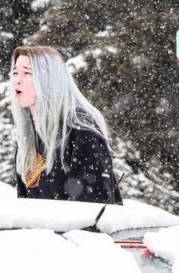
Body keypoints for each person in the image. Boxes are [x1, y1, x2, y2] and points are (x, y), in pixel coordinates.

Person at [10, 45, 122, 205]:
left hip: (78, 230)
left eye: (27, 73)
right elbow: (26, 207)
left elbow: (94, 209)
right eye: (15, 72)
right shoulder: (28, 136)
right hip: (41, 230)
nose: (17, 80)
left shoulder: (81, 130)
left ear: (48, 79)